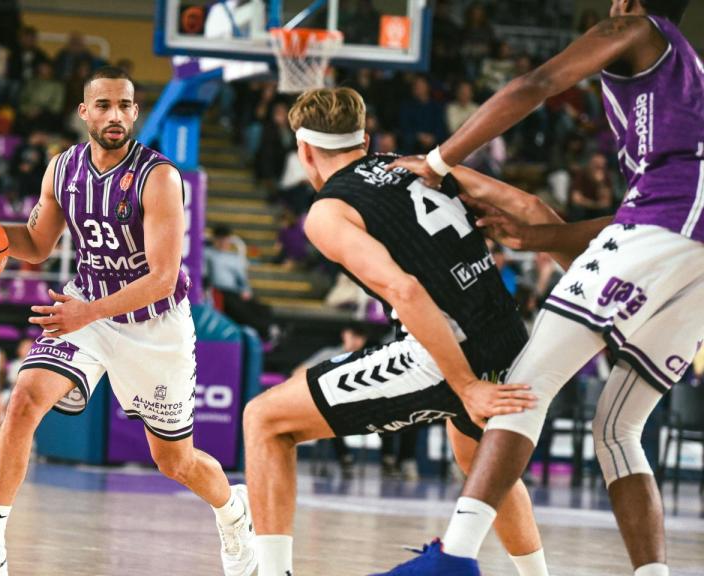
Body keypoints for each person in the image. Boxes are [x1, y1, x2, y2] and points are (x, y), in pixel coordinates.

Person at [381, 2, 702, 575]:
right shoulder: (686, 81)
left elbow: (538, 83)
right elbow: (651, 210)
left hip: (666, 227)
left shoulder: (636, 28)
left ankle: (453, 559)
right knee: (619, 427)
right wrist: (542, 235)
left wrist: (438, 159)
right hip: (685, 247)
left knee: (526, 385)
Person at [0, 66, 256, 576]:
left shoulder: (158, 178)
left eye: (125, 106)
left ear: (135, 113)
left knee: (175, 461)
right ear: (84, 111)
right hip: (87, 308)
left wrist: (87, 311)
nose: (116, 115)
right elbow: (39, 246)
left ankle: (233, 515)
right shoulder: (61, 170)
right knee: (22, 402)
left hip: (155, 326)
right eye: (104, 105)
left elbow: (162, 277)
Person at [240, 87, 546, 576]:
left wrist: (465, 385)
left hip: (448, 353)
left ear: (304, 151)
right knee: (480, 463)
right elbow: (528, 204)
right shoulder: (418, 165)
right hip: (510, 335)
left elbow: (403, 289)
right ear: (364, 139)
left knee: (265, 420)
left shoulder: (328, 210)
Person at [290, 325, 371, 478]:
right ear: (345, 334)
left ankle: (345, 456)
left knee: (330, 412)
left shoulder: (366, 359)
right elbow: (298, 371)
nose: (355, 341)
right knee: (327, 411)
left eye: (360, 337)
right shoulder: (329, 354)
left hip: (356, 405)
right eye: (353, 335)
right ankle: (344, 456)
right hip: (330, 405)